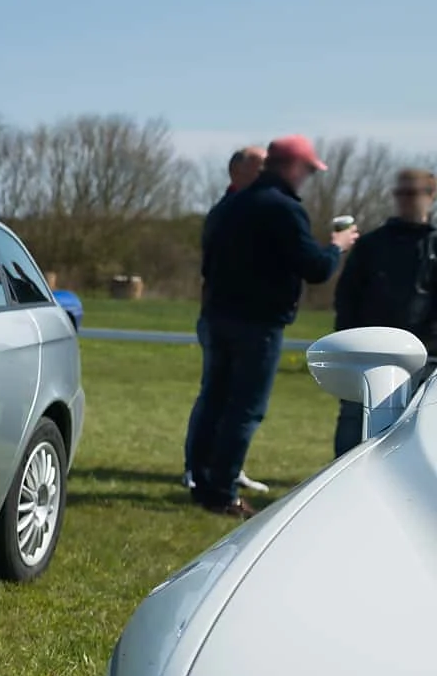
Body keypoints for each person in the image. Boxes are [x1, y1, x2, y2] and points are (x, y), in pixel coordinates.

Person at [187, 135, 358, 518]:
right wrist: (337, 246)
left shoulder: (230, 204)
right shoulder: (283, 208)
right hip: (258, 324)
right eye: (309, 170)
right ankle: (223, 492)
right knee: (245, 409)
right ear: (294, 168)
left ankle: (200, 482)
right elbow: (315, 268)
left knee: (214, 401)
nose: (309, 178)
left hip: (218, 316)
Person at [330, 168, 437, 454]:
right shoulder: (371, 244)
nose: (403, 200)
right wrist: (349, 343)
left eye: (411, 193)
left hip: (426, 357)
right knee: (354, 425)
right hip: (369, 355)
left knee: (418, 433)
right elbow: (347, 298)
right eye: (399, 193)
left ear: (431, 196)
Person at [184, 145, 270, 493]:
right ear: (237, 171)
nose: (268, 173)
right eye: (260, 167)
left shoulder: (255, 210)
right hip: (223, 318)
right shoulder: (227, 212)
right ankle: (198, 469)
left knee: (235, 399)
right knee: (216, 397)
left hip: (240, 317)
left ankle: (228, 468)